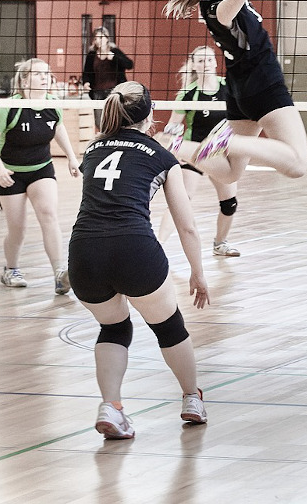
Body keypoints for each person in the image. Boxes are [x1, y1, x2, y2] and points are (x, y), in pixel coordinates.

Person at [68, 82, 209, 439]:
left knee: (114, 328)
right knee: (169, 327)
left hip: (84, 253)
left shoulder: (92, 149)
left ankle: (111, 407)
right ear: (150, 114)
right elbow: (187, 226)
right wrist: (198, 273)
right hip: (134, 248)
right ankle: (192, 399)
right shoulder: (162, 156)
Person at [161, 0, 307, 184]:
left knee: (230, 173)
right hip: (263, 83)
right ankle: (228, 140)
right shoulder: (222, 9)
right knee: (298, 165)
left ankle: (174, 145)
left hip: (240, 89)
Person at [0, 59, 80, 293]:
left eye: (47, 73)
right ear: (24, 80)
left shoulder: (53, 104)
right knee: (18, 229)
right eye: (38, 73)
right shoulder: (9, 108)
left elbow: (58, 127)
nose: (45, 77)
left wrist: (71, 157)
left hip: (41, 168)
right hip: (10, 172)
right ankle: (11, 269)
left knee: (48, 214)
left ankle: (59, 273)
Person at [158, 45, 241, 257]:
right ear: (194, 65)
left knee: (229, 203)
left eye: (209, 60)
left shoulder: (229, 87)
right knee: (182, 199)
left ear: (216, 62)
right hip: (194, 153)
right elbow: (173, 126)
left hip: (219, 155)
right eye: (201, 61)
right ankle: (158, 245)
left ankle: (220, 243)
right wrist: (174, 147)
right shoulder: (188, 94)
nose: (206, 64)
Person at [82, 26, 134, 129]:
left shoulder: (115, 51)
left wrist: (114, 58)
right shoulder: (92, 55)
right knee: (99, 122)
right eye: (96, 38)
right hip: (97, 93)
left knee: (116, 119)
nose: (98, 41)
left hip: (114, 92)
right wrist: (86, 82)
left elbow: (129, 64)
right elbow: (86, 72)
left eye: (101, 37)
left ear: (107, 38)